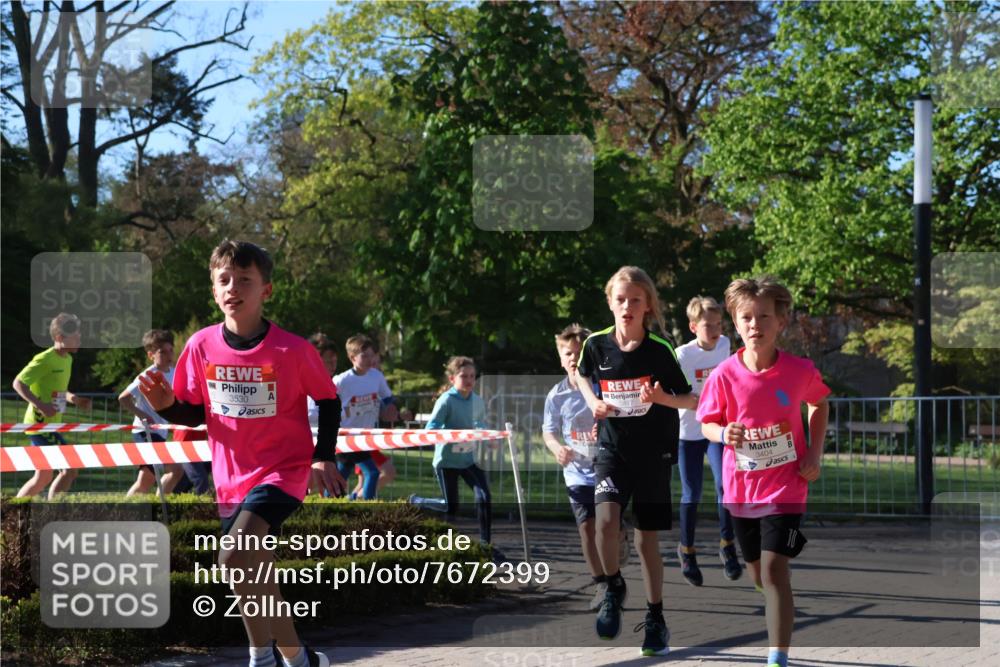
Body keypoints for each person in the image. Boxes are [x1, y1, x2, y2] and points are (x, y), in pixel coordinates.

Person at [139, 240, 344, 667]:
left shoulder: (293, 349)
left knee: (232, 555)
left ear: (266, 290)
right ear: (214, 291)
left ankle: (260, 659)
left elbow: (328, 399)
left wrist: (322, 456)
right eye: (225, 280)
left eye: (245, 280)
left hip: (283, 471)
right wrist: (167, 407)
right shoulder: (200, 345)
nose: (233, 287)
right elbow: (194, 412)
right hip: (231, 477)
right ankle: (299, 659)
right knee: (255, 572)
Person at [697, 277, 830, 667]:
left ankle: (777, 656)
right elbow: (707, 423)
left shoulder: (799, 370)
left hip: (787, 488)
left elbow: (819, 403)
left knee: (774, 571)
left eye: (764, 317)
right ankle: (769, 587)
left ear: (781, 322)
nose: (755, 324)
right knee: (757, 572)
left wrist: (814, 452)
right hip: (741, 490)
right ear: (736, 324)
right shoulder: (724, 374)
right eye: (747, 318)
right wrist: (723, 433)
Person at [575, 266, 695, 656]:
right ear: (610, 303)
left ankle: (655, 617)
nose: (627, 306)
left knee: (646, 542)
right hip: (612, 451)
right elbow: (581, 376)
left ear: (648, 306)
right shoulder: (595, 345)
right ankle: (612, 586)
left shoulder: (660, 349)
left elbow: (691, 399)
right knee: (604, 523)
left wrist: (662, 399)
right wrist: (593, 401)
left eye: (635, 300)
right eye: (621, 299)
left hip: (654, 454)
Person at [542, 323, 630, 611]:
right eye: (568, 353)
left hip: (608, 467)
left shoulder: (602, 386)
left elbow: (623, 415)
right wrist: (557, 448)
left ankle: (620, 539)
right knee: (586, 528)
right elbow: (548, 431)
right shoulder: (556, 395)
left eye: (578, 353)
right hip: (576, 473)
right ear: (560, 358)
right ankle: (602, 585)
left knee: (608, 527)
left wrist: (605, 426)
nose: (573, 358)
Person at [675, 297, 743, 585]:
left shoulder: (725, 344)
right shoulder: (682, 355)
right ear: (693, 327)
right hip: (688, 433)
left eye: (718, 324)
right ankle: (686, 550)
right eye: (708, 326)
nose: (715, 331)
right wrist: (692, 401)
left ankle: (727, 545)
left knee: (725, 485)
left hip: (715, 430)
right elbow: (669, 392)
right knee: (692, 493)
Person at [409, 356, 496, 552]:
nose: (469, 380)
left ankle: (485, 544)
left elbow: (480, 423)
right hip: (447, 462)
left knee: (484, 497)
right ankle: (417, 501)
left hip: (468, 460)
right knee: (451, 507)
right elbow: (431, 429)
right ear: (452, 379)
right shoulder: (446, 400)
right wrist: (451, 435)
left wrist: (487, 437)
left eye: (472, 376)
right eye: (464, 376)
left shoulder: (477, 401)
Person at [121, 329, 212, 497]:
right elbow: (123, 398)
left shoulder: (175, 373)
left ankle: (158, 505)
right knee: (155, 477)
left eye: (171, 350)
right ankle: (127, 509)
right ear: (151, 355)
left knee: (171, 473)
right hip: (145, 432)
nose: (169, 355)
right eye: (162, 352)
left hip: (160, 432)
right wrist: (142, 415)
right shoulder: (147, 375)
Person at [15, 312, 93, 499]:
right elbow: (18, 383)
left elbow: (59, 391)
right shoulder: (44, 359)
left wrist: (75, 399)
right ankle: (53, 511)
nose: (79, 339)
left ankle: (11, 510)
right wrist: (41, 406)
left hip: (50, 426)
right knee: (70, 469)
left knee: (43, 477)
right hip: (40, 426)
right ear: (59, 338)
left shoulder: (67, 359)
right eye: (75, 336)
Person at [333, 334, 403, 499]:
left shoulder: (376, 376)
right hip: (346, 435)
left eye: (372, 355)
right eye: (364, 356)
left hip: (366, 435)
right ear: (352, 358)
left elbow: (387, 397)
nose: (369, 360)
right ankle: (366, 507)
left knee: (343, 473)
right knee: (371, 472)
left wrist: (391, 407)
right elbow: (327, 403)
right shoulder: (341, 380)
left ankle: (334, 501)